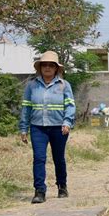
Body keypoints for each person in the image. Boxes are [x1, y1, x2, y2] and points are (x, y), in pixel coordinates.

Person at [19, 51, 75, 204]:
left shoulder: (64, 85)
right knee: (39, 158)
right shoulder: (32, 86)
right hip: (38, 128)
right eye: (45, 65)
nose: (48, 68)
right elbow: (26, 108)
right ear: (40, 67)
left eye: (52, 65)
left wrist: (67, 122)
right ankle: (39, 191)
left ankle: (62, 186)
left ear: (57, 68)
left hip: (59, 128)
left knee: (59, 159)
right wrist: (23, 128)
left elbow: (70, 106)